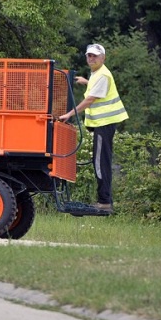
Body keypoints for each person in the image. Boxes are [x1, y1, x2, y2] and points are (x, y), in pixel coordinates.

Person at [58, 43, 128, 214]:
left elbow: (90, 100)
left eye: (95, 56)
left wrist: (69, 114)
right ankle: (105, 200)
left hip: (104, 124)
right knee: (101, 161)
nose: (91, 58)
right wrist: (86, 82)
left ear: (103, 58)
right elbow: (97, 89)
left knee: (100, 162)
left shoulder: (102, 75)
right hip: (102, 125)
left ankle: (104, 202)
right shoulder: (98, 74)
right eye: (89, 55)